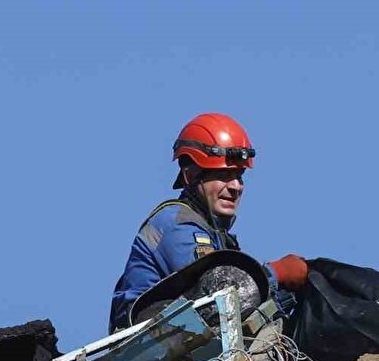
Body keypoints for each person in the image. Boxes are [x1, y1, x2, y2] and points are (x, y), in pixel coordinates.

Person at [109, 113, 308, 332]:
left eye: (239, 175)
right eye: (224, 175)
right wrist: (275, 274)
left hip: (179, 338)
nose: (236, 186)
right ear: (190, 175)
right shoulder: (178, 223)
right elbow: (218, 294)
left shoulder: (213, 233)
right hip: (145, 341)